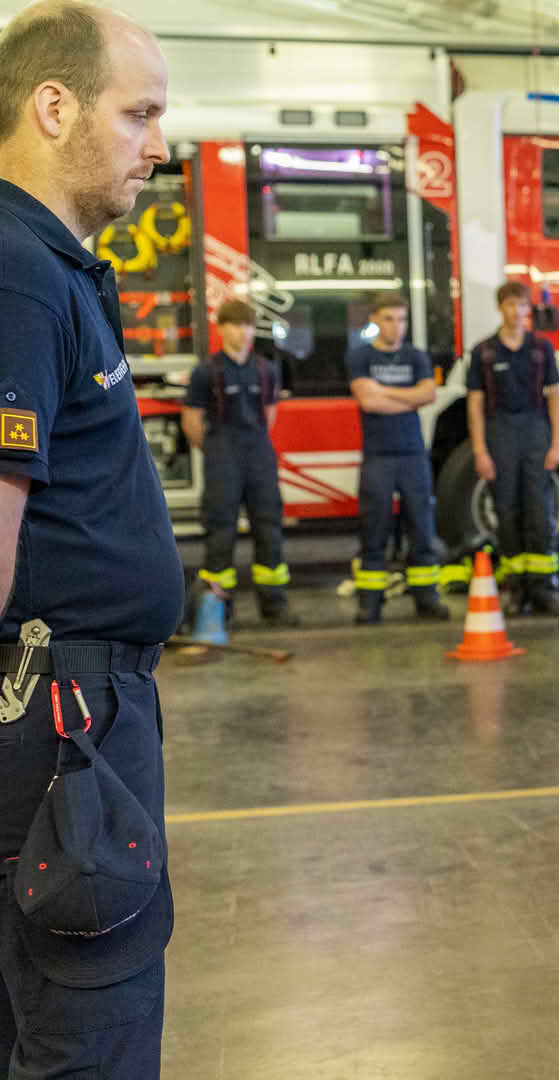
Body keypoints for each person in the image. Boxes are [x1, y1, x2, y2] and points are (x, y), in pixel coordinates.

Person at [0, 3, 181, 1074]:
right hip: (58, 713)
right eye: (139, 114)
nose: (158, 146)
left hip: (71, 705)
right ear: (54, 106)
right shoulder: (17, 270)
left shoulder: (49, 265)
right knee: (87, 1035)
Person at [183, 299, 296, 626]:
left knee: (269, 528)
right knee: (220, 532)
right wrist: (217, 451)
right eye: (235, 325)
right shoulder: (206, 371)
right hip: (223, 458)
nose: (243, 332)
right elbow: (191, 422)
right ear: (221, 329)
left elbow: (269, 417)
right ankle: (218, 610)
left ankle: (274, 606)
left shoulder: (266, 370)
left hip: (259, 456)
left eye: (248, 325)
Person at [346, 292, 449, 624]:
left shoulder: (416, 356)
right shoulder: (360, 356)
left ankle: (426, 599)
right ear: (375, 320)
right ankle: (370, 603)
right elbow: (368, 401)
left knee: (422, 527)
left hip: (413, 455)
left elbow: (428, 394)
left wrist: (384, 391)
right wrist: (408, 398)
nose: (397, 326)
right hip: (378, 456)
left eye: (402, 319)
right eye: (389, 319)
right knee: (373, 529)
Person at [466, 281, 559, 616]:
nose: (517, 312)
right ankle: (516, 589)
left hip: (536, 432)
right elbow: (475, 404)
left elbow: (555, 398)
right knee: (506, 512)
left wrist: (557, 444)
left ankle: (544, 588)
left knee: (540, 512)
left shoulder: (541, 349)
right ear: (500, 308)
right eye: (510, 305)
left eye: (522, 305)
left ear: (528, 309)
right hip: (500, 433)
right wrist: (480, 451)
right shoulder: (484, 352)